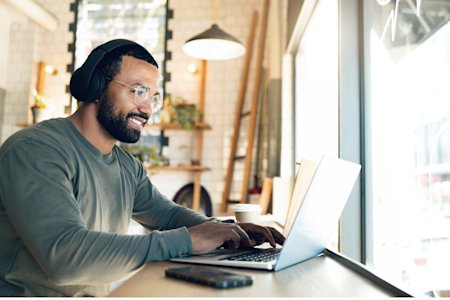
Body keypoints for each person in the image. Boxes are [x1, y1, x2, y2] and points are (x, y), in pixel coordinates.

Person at [0, 39, 285, 297]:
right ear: (95, 86)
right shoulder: (35, 150)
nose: (147, 109)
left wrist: (227, 230)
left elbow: (169, 215)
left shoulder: (126, 166)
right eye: (139, 91)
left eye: (153, 98)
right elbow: (65, 259)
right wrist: (188, 239)